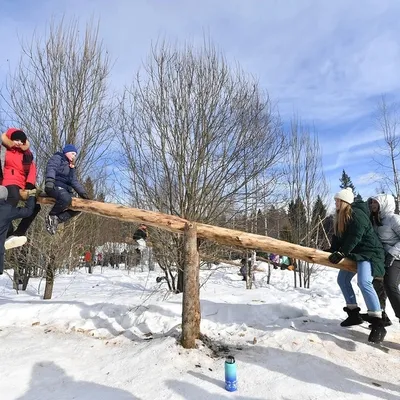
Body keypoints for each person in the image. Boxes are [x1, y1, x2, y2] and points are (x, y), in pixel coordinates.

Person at [328, 187, 387, 343]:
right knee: (342, 280)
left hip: (369, 253)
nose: (335, 202)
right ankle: (353, 314)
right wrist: (333, 250)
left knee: (364, 282)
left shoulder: (357, 213)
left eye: (337, 200)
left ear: (345, 201)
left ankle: (378, 323)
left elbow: (356, 235)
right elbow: (338, 237)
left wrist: (342, 253)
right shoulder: (340, 216)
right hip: (355, 253)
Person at [0, 128, 41, 243]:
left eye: (21, 141)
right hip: (8, 180)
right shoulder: (3, 150)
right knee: (12, 198)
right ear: (10, 139)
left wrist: (29, 184)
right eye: (16, 139)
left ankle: (18, 233)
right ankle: (7, 231)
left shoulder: (27, 154)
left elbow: (32, 169)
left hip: (23, 182)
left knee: (35, 205)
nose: (18, 142)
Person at [365, 194, 400, 326]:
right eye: (371, 202)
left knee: (390, 284)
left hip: (397, 257)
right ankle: (381, 316)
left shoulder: (393, 219)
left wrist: (392, 253)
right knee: (376, 284)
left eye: (376, 202)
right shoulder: (374, 219)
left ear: (384, 204)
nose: (372, 205)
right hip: (382, 258)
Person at [44, 144, 89, 235]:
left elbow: (74, 181)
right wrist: (49, 181)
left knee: (79, 207)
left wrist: (83, 193)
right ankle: (52, 215)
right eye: (72, 154)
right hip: (54, 185)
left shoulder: (71, 167)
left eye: (75, 155)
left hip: (66, 190)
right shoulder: (58, 158)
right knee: (66, 198)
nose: (74, 156)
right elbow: (51, 168)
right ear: (66, 152)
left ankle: (57, 219)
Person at [0, 185, 37, 275]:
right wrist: (31, 195)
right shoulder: (7, 209)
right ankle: (8, 237)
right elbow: (28, 211)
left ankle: (8, 236)